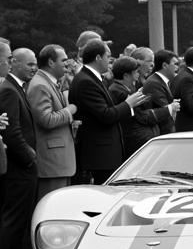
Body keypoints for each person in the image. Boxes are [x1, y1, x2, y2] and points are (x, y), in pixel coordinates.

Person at [69, 39, 146, 184]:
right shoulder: (86, 81)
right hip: (99, 155)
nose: (110, 61)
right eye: (107, 57)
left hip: (105, 153)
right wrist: (128, 104)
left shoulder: (93, 78)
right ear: (98, 58)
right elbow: (105, 115)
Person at [0, 47, 40, 249]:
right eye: (29, 64)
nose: (33, 68)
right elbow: (11, 131)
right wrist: (29, 157)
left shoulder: (16, 88)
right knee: (14, 219)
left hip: (20, 165)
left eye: (35, 64)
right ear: (13, 63)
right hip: (19, 167)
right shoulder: (9, 91)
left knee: (20, 218)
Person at [26, 43, 78, 200]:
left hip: (59, 162)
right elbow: (46, 120)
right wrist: (69, 111)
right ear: (50, 62)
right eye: (63, 60)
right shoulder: (40, 85)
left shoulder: (48, 82)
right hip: (52, 163)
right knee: (51, 210)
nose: (67, 64)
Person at [141, 49, 180, 136]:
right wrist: (172, 107)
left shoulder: (162, 81)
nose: (178, 68)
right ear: (165, 65)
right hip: (161, 135)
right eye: (175, 64)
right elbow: (165, 110)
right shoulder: (154, 83)